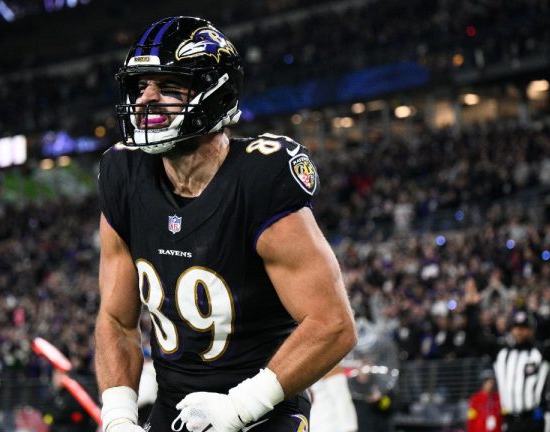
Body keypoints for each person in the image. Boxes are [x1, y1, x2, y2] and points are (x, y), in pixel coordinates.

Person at [94, 16, 357, 432]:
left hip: (264, 407)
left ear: (214, 92)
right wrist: (119, 417)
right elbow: (116, 320)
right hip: (171, 409)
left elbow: (334, 324)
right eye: (140, 86)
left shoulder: (258, 179)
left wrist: (240, 406)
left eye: (168, 86)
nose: (146, 99)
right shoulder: (123, 175)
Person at [464, 278, 550, 432]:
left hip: (536, 420)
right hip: (511, 421)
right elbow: (476, 337)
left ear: (531, 330)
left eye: (524, 327)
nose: (519, 331)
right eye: (516, 327)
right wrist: (471, 308)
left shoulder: (539, 353)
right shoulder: (501, 353)